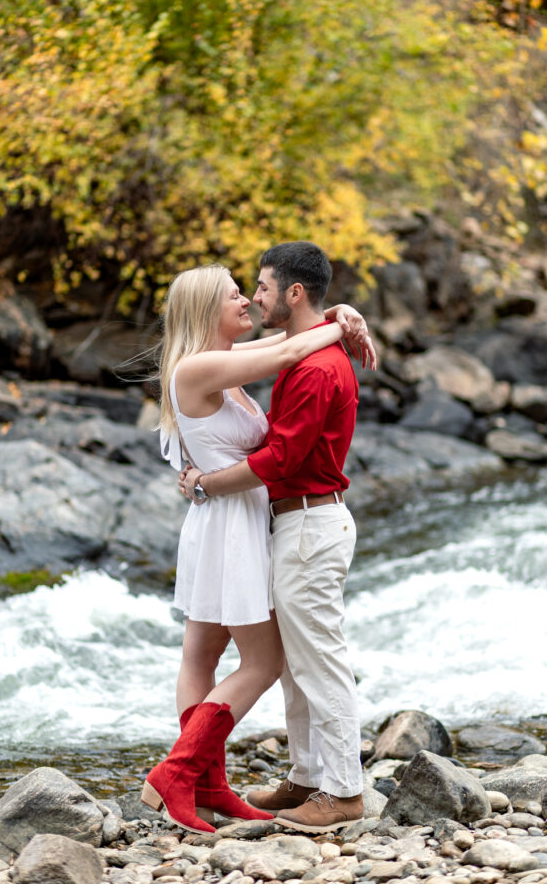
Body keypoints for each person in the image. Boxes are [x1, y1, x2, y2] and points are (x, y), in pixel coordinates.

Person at [141, 262, 374, 836]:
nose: (247, 299)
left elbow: (283, 346)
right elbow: (285, 353)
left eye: (254, 289)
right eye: (235, 294)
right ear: (206, 310)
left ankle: (204, 782)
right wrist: (340, 321)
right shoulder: (205, 365)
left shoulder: (225, 369)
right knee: (260, 660)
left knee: (204, 652)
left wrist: (335, 316)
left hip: (241, 520)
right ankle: (181, 773)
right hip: (231, 523)